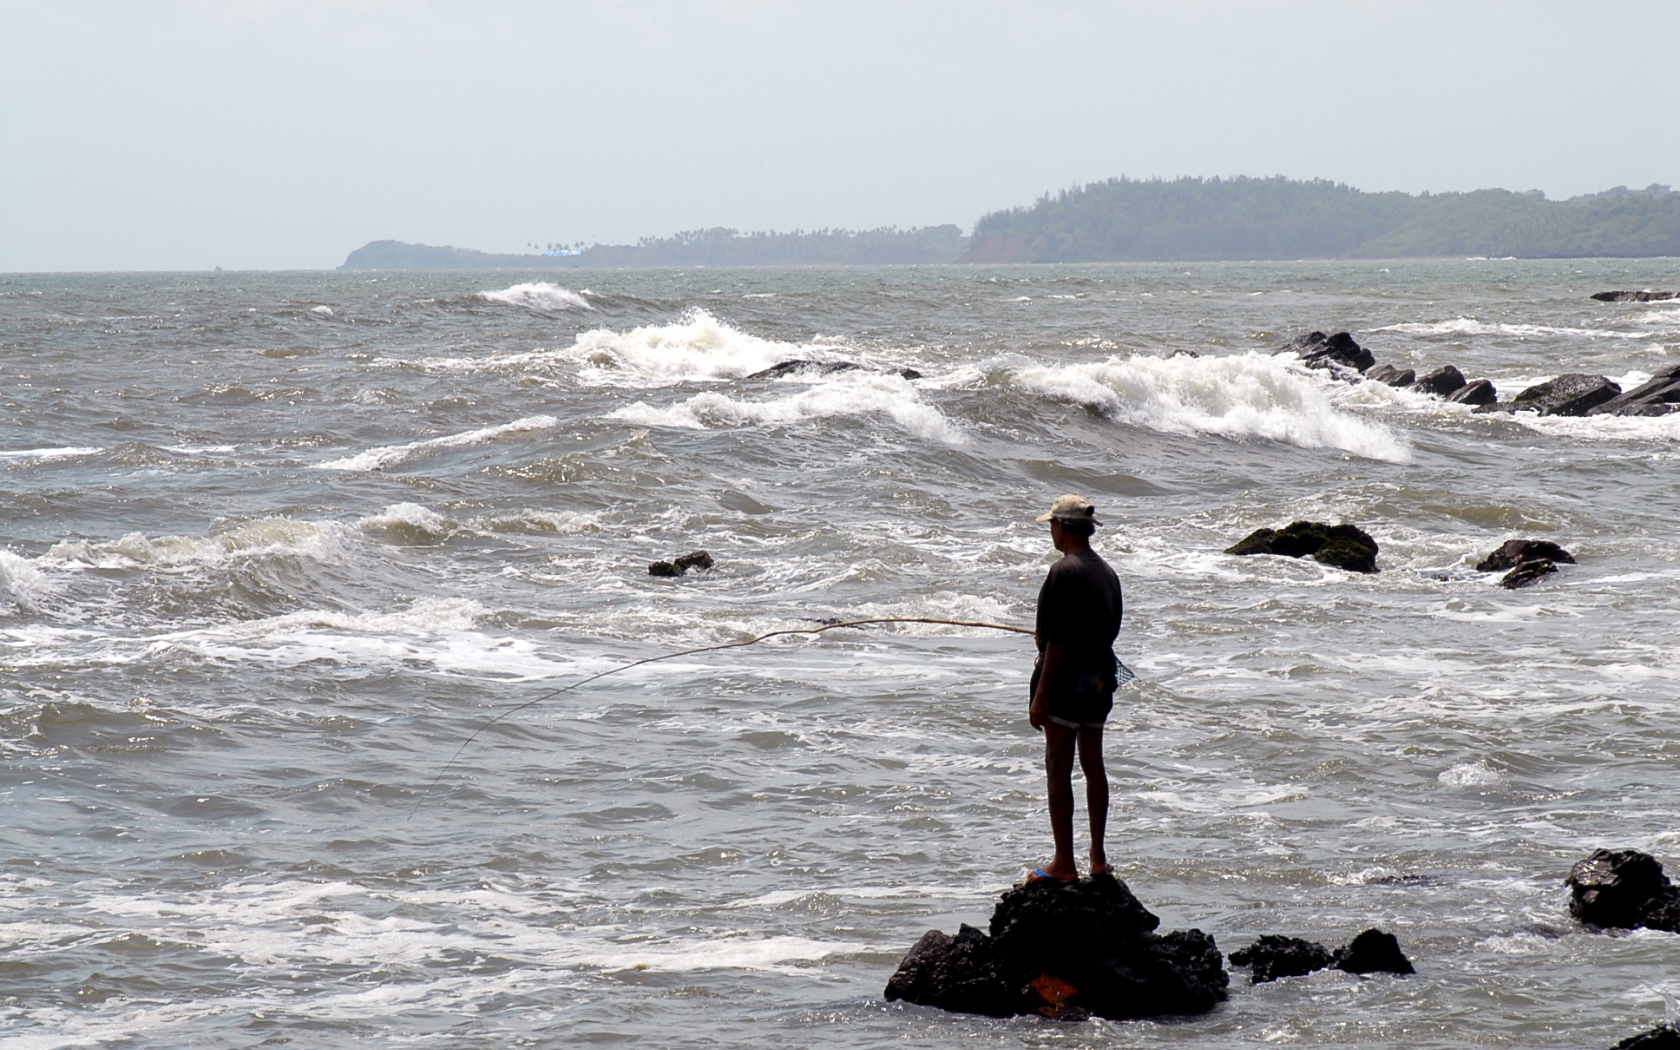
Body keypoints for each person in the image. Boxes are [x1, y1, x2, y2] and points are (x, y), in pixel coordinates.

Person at [1027, 494, 1123, 884]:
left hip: (1066, 682)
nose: (1051, 531)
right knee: (1093, 765)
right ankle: (1098, 859)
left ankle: (1064, 863)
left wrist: (1042, 695)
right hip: (1100, 680)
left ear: (1063, 528)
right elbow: (1108, 629)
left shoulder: (1063, 571)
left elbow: (1058, 641)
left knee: (1057, 768)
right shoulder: (1108, 573)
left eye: (1052, 525)